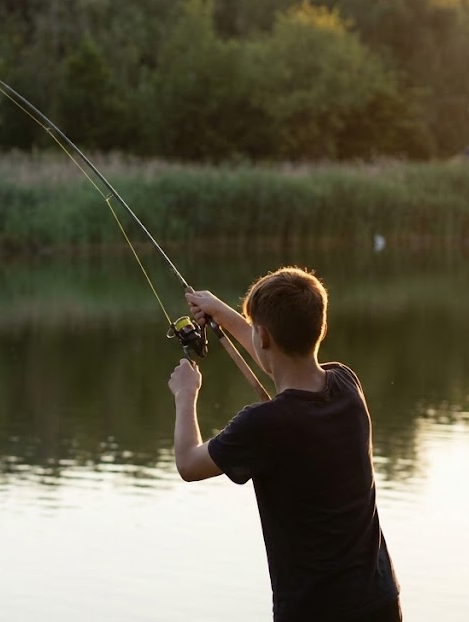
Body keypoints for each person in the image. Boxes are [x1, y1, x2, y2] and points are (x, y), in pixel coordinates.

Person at [169, 266, 401, 622]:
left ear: (262, 336)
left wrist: (186, 395)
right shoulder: (346, 384)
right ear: (320, 328)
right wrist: (223, 313)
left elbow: (188, 463)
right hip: (379, 601)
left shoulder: (262, 425)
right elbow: (282, 363)